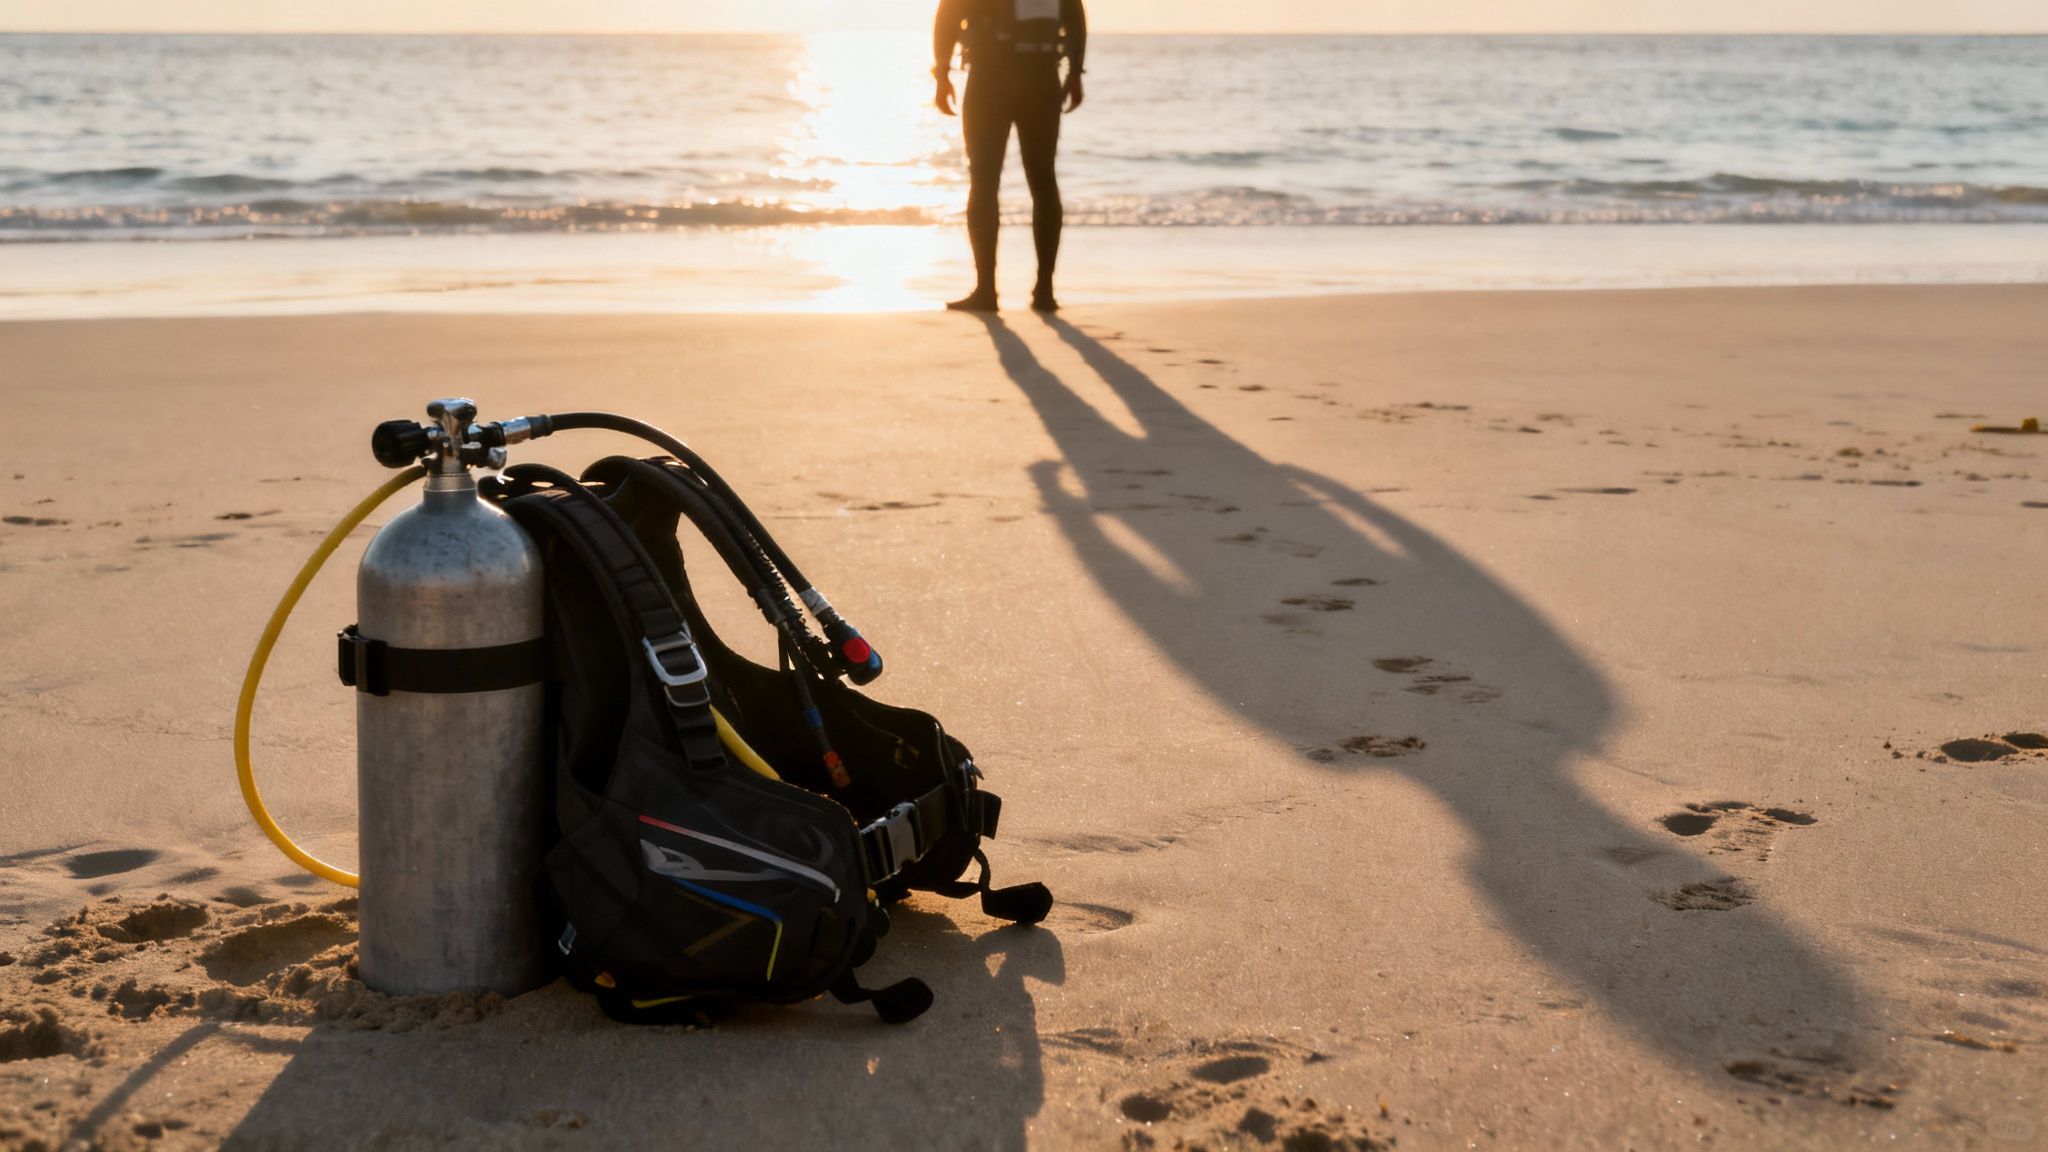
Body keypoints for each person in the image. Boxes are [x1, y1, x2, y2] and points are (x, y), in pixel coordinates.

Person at [932, 0, 1086, 313]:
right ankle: (1044, 292)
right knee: (1043, 180)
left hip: (990, 76)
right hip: (1041, 75)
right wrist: (1074, 72)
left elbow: (948, 16)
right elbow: (1074, 18)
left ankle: (986, 291)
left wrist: (942, 72)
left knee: (984, 180)